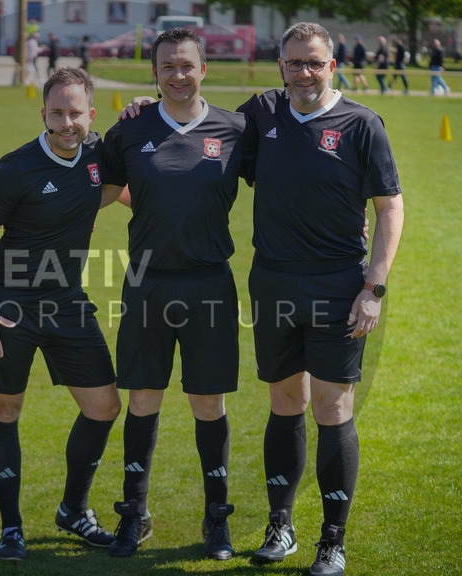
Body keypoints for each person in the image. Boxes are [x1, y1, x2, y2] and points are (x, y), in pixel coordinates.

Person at [236, 22, 404, 576]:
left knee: (333, 408)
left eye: (314, 62)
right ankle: (280, 526)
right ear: (279, 66)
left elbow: (390, 209)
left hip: (338, 286)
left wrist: (373, 288)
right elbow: (196, 126)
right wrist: (148, 101)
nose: (303, 72)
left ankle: (332, 541)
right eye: (293, 63)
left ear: (333, 65)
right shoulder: (262, 114)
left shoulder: (361, 124)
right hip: (274, 282)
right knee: (284, 403)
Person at [0, 67, 124, 562]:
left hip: (69, 304)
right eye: (58, 112)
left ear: (91, 115)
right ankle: (11, 527)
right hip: (10, 307)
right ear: (44, 114)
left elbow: (116, 189)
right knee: (4, 410)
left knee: (105, 407)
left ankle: (73, 511)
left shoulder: (100, 155)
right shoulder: (17, 168)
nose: (67, 122)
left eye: (76, 113)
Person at [101, 27, 245, 562]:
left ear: (203, 69)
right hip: (147, 282)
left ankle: (217, 519)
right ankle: (134, 516)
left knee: (208, 402)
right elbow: (104, 189)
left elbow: (285, 178)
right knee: (144, 399)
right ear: (154, 73)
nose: (178, 75)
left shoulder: (235, 128)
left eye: (187, 66)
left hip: (210, 281)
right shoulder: (130, 129)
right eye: (167, 67)